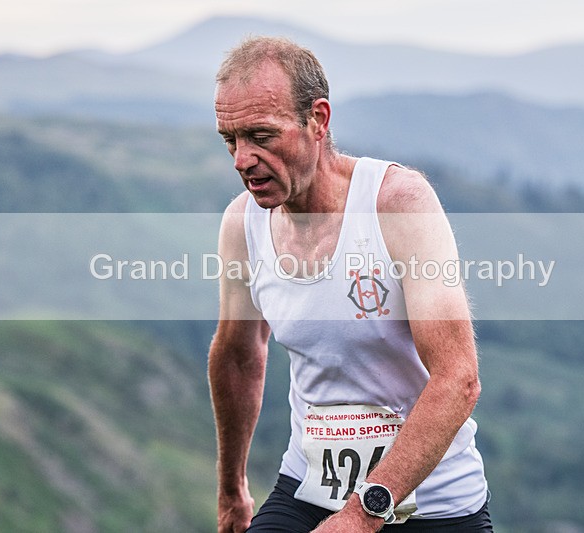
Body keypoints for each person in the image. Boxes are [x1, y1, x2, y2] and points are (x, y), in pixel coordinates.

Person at [208, 36, 491, 532]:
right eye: (230, 140)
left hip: (431, 503)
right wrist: (232, 488)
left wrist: (363, 512)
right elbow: (238, 355)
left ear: (317, 120)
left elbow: (458, 377)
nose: (241, 159)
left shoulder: (398, 203)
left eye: (261, 136)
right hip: (309, 487)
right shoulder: (243, 224)